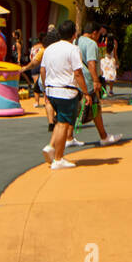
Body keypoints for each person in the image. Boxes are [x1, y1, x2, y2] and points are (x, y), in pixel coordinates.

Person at [39, 19, 91, 170]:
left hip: (51, 89)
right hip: (66, 91)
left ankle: (51, 146)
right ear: (74, 34)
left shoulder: (49, 49)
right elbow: (78, 73)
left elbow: (43, 70)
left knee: (60, 121)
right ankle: (58, 158)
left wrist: (45, 88)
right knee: (64, 123)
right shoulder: (73, 49)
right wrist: (86, 92)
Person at [76, 22, 120, 147]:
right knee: (95, 108)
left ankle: (68, 137)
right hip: (88, 81)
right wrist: (96, 80)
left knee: (75, 109)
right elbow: (91, 64)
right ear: (94, 33)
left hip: (76, 80)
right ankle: (104, 136)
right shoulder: (91, 44)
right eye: (99, 34)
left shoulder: (76, 42)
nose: (99, 37)